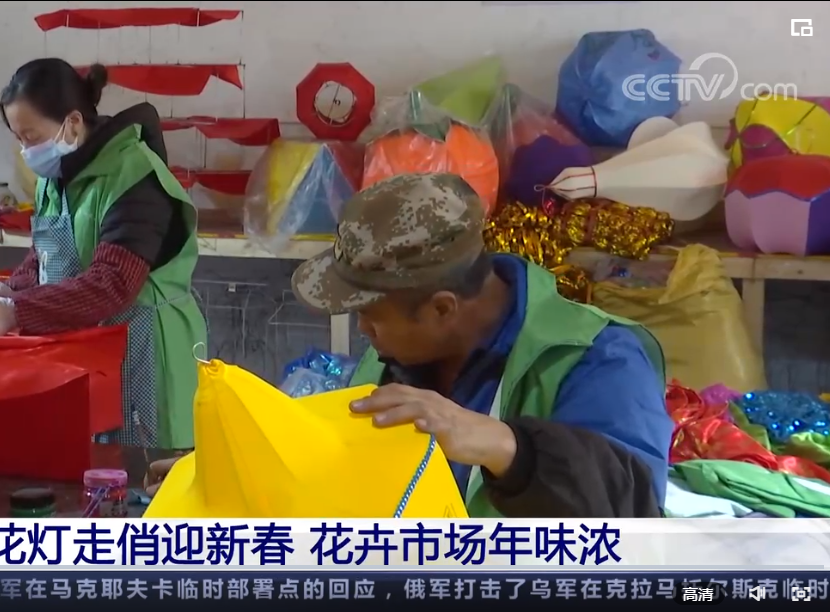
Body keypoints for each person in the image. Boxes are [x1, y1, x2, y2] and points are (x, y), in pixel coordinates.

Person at [149, 172, 672, 518]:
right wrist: (238, 472)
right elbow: (346, 472)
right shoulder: (399, 352)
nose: (362, 331)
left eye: (369, 315)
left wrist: (507, 448)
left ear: (442, 308)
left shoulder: (596, 358)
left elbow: (636, 517)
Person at [0, 58, 207, 451]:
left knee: (145, 475)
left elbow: (112, 283)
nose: (26, 151)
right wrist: (9, 290)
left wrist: (15, 311)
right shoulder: (55, 179)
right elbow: (47, 255)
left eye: (32, 137)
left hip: (148, 353)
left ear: (72, 123)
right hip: (91, 352)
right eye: (19, 139)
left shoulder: (134, 175)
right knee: (94, 471)